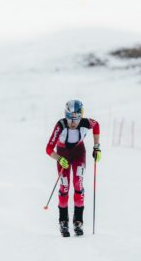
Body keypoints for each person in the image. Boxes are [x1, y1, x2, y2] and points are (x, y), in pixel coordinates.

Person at [46, 100, 101, 237]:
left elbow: (97, 125)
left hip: (78, 153)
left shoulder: (85, 123)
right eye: (70, 117)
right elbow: (48, 149)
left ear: (81, 116)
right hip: (63, 154)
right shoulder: (61, 125)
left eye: (76, 118)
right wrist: (59, 158)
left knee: (78, 184)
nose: (73, 122)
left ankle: (78, 221)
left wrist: (96, 147)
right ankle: (63, 221)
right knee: (64, 187)